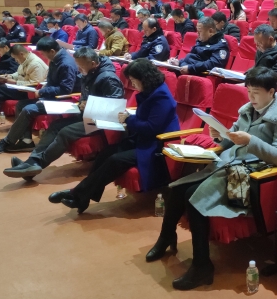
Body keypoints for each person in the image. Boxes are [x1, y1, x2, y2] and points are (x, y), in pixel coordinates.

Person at [145, 67, 277, 290]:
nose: (251, 97)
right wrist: (219, 136)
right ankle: (166, 238)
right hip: (226, 164)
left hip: (247, 175)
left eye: (256, 92)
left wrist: (250, 141)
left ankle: (202, 266)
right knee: (176, 189)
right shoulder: (248, 110)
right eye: (248, 91)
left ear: (272, 92)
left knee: (193, 198)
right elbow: (230, 139)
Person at [49, 59, 179, 212]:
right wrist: (128, 118)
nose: (132, 84)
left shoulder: (161, 97)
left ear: (145, 78)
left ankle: (77, 195)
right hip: (142, 139)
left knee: (115, 160)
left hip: (156, 145)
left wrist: (128, 120)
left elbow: (151, 127)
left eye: (134, 80)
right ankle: (82, 197)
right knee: (105, 153)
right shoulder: (149, 92)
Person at [2, 48, 125, 178]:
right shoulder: (89, 72)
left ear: (93, 63)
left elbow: (115, 108)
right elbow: (85, 95)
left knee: (66, 132)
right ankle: (32, 161)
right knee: (55, 125)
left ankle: (37, 164)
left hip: (102, 121)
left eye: (81, 66)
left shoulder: (108, 78)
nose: (78, 69)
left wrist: (90, 106)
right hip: (87, 114)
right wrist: (83, 103)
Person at [0, 38, 79, 154]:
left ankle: (7, 141)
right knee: (21, 104)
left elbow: (65, 89)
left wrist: (42, 92)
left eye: (43, 53)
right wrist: (44, 89)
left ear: (52, 51)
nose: (42, 56)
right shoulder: (56, 59)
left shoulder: (65, 63)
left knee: (28, 109)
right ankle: (26, 141)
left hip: (64, 99)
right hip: (52, 96)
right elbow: (52, 82)